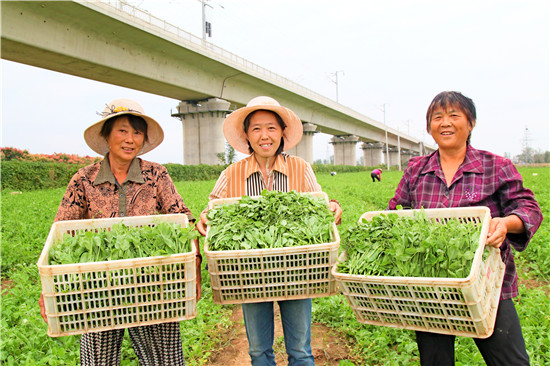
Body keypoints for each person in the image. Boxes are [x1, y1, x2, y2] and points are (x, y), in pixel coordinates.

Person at [39, 98, 201, 366]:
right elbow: (59, 233)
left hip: (153, 285)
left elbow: (184, 219)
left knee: (165, 360)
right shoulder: (84, 179)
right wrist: (47, 290)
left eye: (137, 132)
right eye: (122, 130)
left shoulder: (156, 175)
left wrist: (193, 268)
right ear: (107, 135)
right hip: (97, 288)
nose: (130, 139)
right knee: (98, 360)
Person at [388, 91, 542, 365]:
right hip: (430, 288)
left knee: (510, 360)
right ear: (429, 128)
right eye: (437, 117)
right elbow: (395, 213)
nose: (445, 122)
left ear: (470, 123)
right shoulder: (416, 170)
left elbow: (528, 209)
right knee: (435, 361)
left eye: (454, 115)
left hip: (488, 286)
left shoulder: (495, 166)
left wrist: (505, 223)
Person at [196, 96, 342, 366]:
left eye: (272, 127)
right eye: (256, 128)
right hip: (249, 274)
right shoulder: (231, 173)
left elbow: (321, 207)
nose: (265, 135)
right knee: (258, 352)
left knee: (301, 352)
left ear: (282, 133)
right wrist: (205, 218)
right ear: (247, 135)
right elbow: (213, 211)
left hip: (298, 271)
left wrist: (332, 206)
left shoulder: (301, 168)